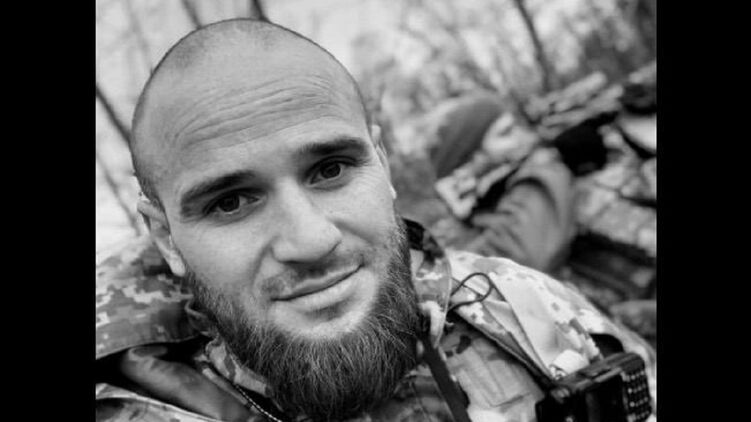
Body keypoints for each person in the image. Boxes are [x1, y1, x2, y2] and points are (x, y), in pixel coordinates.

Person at [96, 19, 656, 422]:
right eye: (230, 202)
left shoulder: (521, 308)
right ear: (166, 237)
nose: (312, 239)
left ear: (383, 166)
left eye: (330, 169)